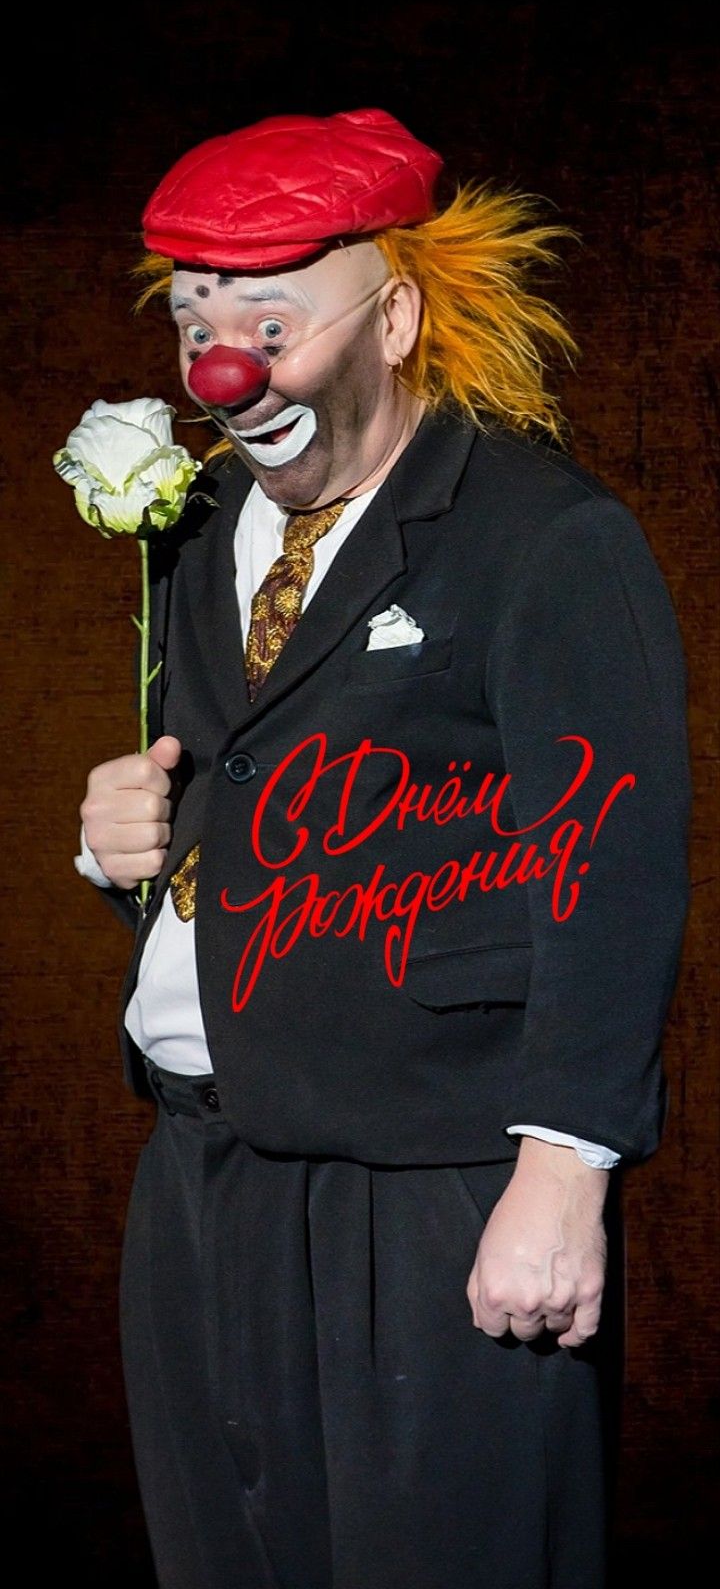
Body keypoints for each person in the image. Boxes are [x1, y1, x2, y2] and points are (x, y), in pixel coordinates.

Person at [75, 107, 691, 1588]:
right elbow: (256, 790)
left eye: (271, 325)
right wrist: (122, 854)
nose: (224, 371)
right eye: (197, 325)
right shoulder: (197, 525)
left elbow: (613, 870)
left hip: (430, 1189)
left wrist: (565, 1177)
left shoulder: (546, 538)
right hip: (202, 1172)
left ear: (398, 316)